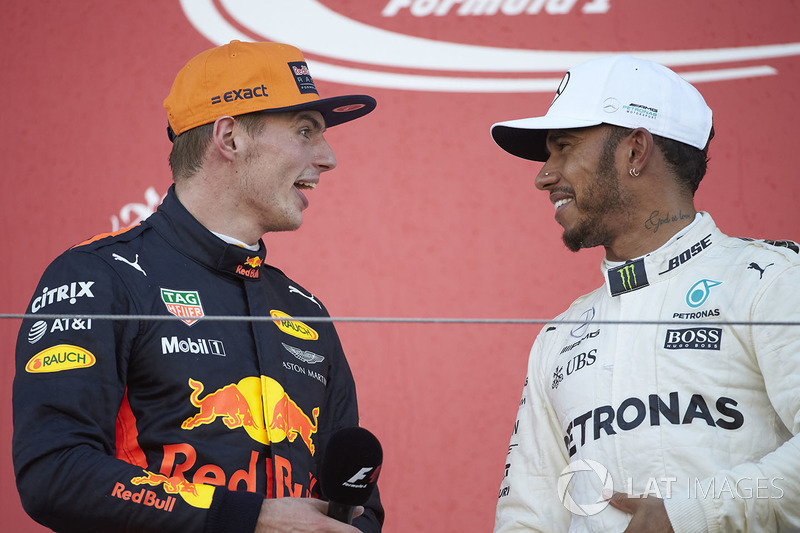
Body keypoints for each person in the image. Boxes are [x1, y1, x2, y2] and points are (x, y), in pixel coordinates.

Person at [13, 40, 383, 533]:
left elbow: (362, 504)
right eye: (304, 131)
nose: (328, 157)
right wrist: (249, 518)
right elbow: (54, 472)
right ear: (230, 137)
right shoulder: (99, 275)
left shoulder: (304, 311)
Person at [489, 55, 800, 532]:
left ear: (635, 150)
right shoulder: (561, 335)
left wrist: (693, 512)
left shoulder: (769, 280)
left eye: (564, 147)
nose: (543, 175)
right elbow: (527, 517)